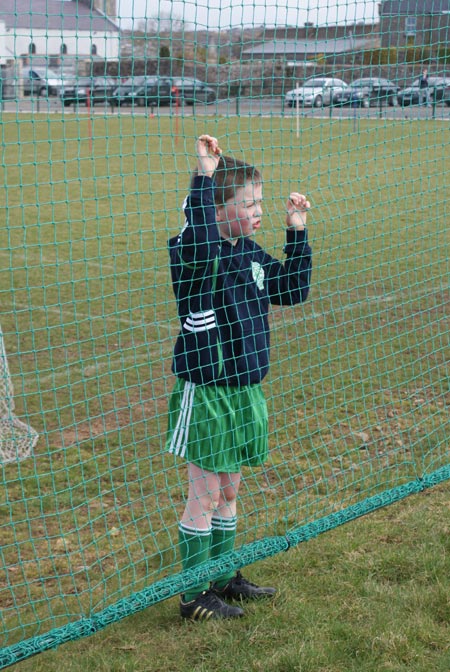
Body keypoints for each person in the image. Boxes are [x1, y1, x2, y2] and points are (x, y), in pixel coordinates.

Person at [165, 134, 312, 621]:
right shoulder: (192, 251)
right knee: (203, 497)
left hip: (245, 391)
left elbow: (292, 291)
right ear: (216, 207)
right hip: (207, 393)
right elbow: (204, 244)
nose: (258, 210)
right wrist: (205, 176)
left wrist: (297, 233)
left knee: (229, 491)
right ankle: (193, 596)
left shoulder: (248, 253)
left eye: (261, 202)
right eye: (248, 203)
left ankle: (224, 576)